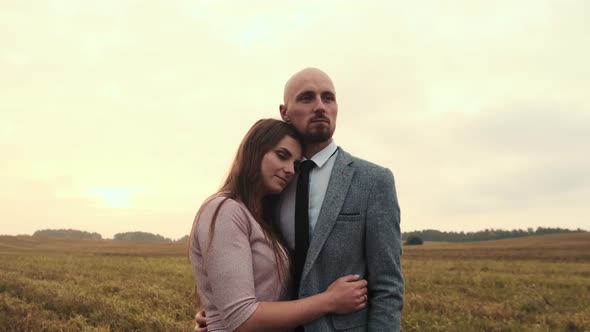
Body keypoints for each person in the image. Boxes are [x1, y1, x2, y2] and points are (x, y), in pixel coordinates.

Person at [197, 68, 404, 331]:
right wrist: (218, 314)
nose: (320, 106)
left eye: (328, 98)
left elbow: (388, 286)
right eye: (307, 98)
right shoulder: (272, 184)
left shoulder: (374, 181)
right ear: (284, 112)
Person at [189, 118, 369, 332]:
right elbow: (242, 320)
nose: (291, 170)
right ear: (254, 150)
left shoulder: (261, 217)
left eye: (295, 163)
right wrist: (330, 301)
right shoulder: (224, 210)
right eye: (282, 156)